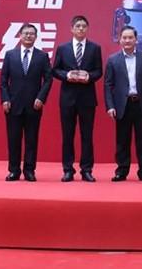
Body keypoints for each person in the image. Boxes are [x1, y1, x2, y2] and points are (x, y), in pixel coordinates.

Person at [52, 15, 102, 182]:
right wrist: (67, 75)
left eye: (83, 26)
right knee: (68, 135)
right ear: (72, 29)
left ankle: (86, 170)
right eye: (78, 26)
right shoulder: (62, 48)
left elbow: (99, 71)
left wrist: (89, 76)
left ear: (87, 29)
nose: (81, 28)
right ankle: (68, 169)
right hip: (68, 98)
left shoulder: (95, 48)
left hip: (87, 98)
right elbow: (55, 70)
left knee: (87, 135)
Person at [0, 23, 53, 182]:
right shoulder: (10, 55)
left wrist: (41, 98)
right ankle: (14, 170)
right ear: (20, 36)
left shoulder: (42, 56)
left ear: (36, 37)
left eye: (31, 34)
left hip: (34, 104)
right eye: (25, 33)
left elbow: (48, 80)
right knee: (13, 139)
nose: (28, 36)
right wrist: (5, 99)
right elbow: (3, 80)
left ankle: (29, 170)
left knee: (31, 139)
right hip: (13, 104)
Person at [104, 26, 142, 182]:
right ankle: (121, 171)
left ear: (136, 40)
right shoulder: (113, 59)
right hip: (122, 105)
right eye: (124, 38)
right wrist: (110, 106)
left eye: (130, 38)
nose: (127, 40)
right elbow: (108, 85)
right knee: (122, 140)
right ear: (120, 40)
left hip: (141, 104)